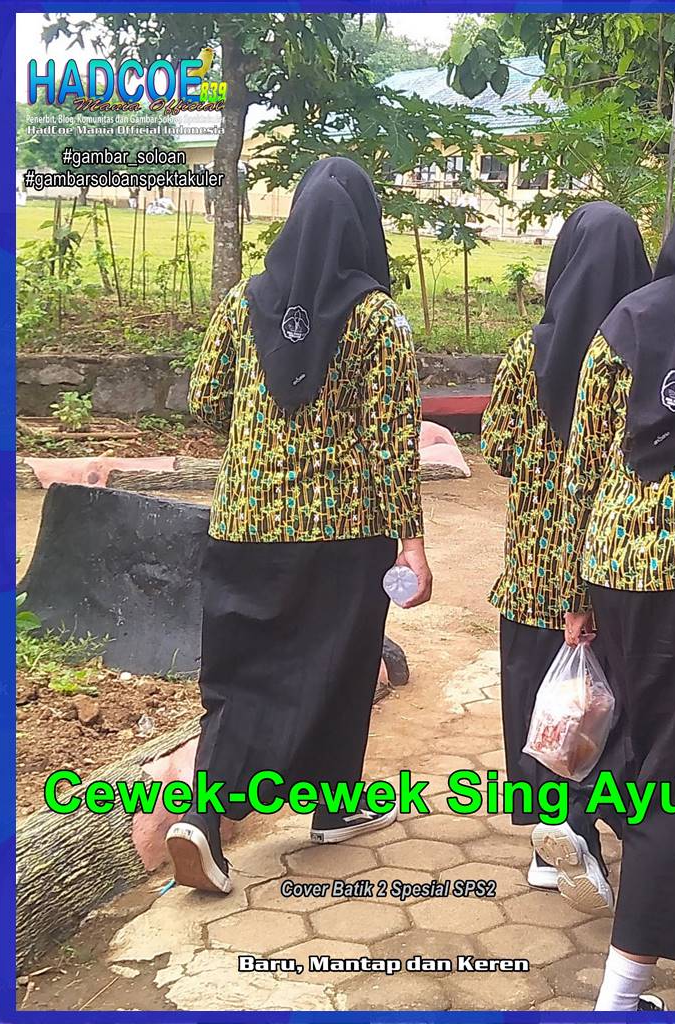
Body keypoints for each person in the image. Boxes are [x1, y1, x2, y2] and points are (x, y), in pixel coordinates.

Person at [175, 157, 430, 893]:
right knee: (339, 664)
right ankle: (332, 806)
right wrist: (412, 541)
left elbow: (204, 397)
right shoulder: (377, 318)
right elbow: (391, 440)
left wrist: (263, 438)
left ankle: (204, 820)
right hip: (342, 530)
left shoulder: (242, 301)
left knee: (238, 672)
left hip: (244, 521)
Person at [555, 132, 675, 1009]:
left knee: (658, 756)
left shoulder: (626, 322)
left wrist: (572, 595)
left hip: (620, 571)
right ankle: (622, 990)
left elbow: (582, 466)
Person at [479, 202, 652, 905]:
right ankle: (591, 825)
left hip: (534, 565)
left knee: (539, 698)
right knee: (605, 703)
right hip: (612, 562)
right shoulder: (644, 349)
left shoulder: (529, 352)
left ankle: (547, 842)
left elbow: (497, 447)